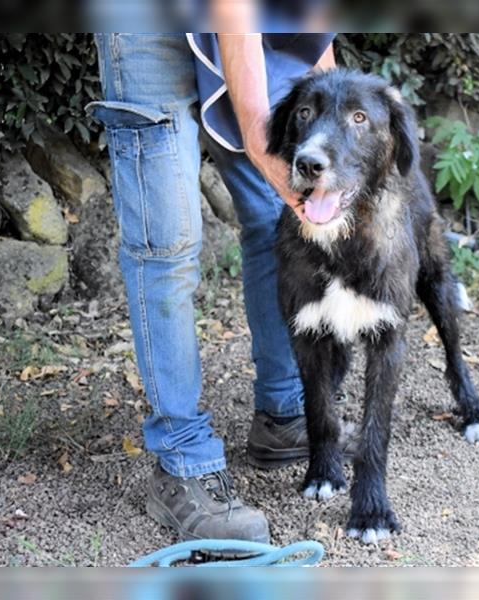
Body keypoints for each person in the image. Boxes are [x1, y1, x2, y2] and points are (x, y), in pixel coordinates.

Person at [86, 31, 337, 544]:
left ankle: (284, 411)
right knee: (166, 244)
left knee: (276, 217)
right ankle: (182, 459)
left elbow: (316, 52)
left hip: (243, 27)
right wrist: (258, 135)